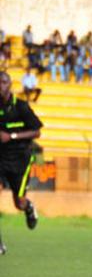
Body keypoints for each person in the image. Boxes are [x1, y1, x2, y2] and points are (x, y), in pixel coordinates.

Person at [0, 71, 43, 255]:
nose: (0, 86)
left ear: (9, 85)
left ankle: (29, 207)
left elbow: (37, 132)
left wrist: (12, 136)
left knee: (19, 202)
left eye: (3, 82)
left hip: (20, 160)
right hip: (1, 159)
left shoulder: (21, 107)